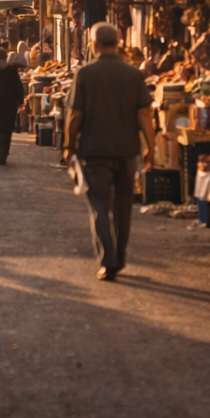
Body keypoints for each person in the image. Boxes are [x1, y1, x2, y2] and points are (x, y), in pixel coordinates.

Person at [62, 22, 156, 282]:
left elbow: (75, 115)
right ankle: (119, 257)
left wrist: (68, 146)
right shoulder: (133, 74)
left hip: (94, 152)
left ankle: (109, 260)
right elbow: (145, 114)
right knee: (123, 207)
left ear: (94, 43)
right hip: (127, 151)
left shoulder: (86, 74)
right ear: (117, 43)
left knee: (100, 207)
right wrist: (151, 148)